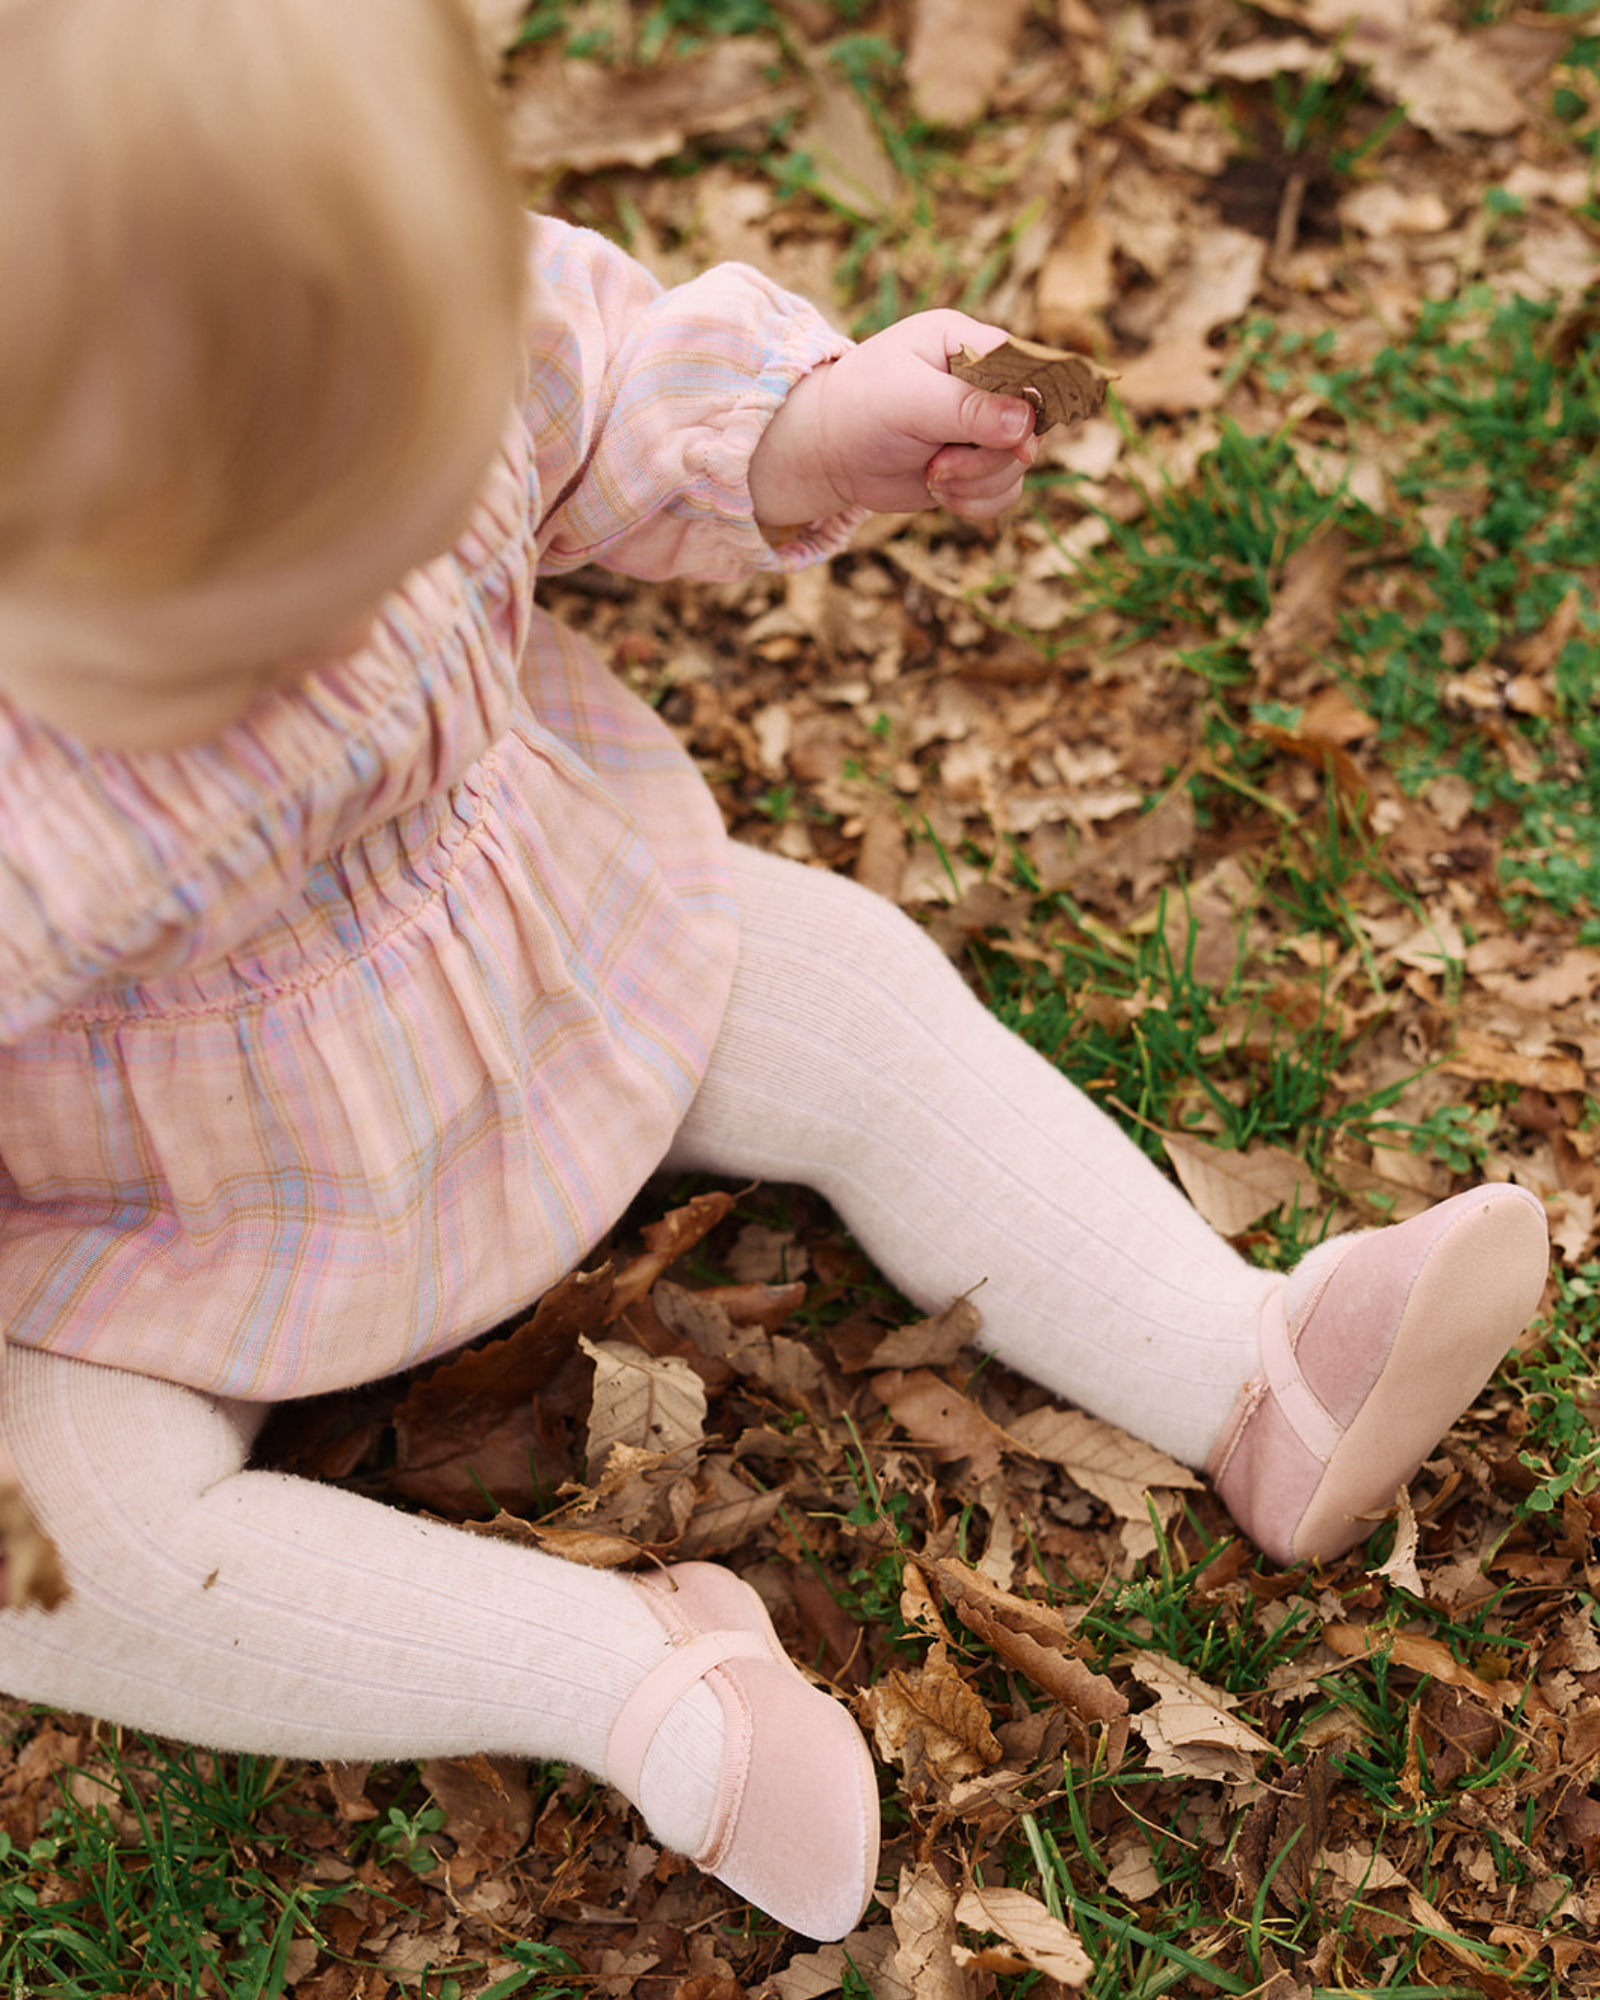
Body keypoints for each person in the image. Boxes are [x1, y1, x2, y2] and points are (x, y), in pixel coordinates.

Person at [0, 0, 1549, 1945]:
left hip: (539, 940)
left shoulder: (405, 305)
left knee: (857, 995)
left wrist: (797, 427)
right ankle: (629, 1679)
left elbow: (598, 381)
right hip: (166, 1204)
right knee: (56, 1547)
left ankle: (1243, 1362)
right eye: (236, 598)